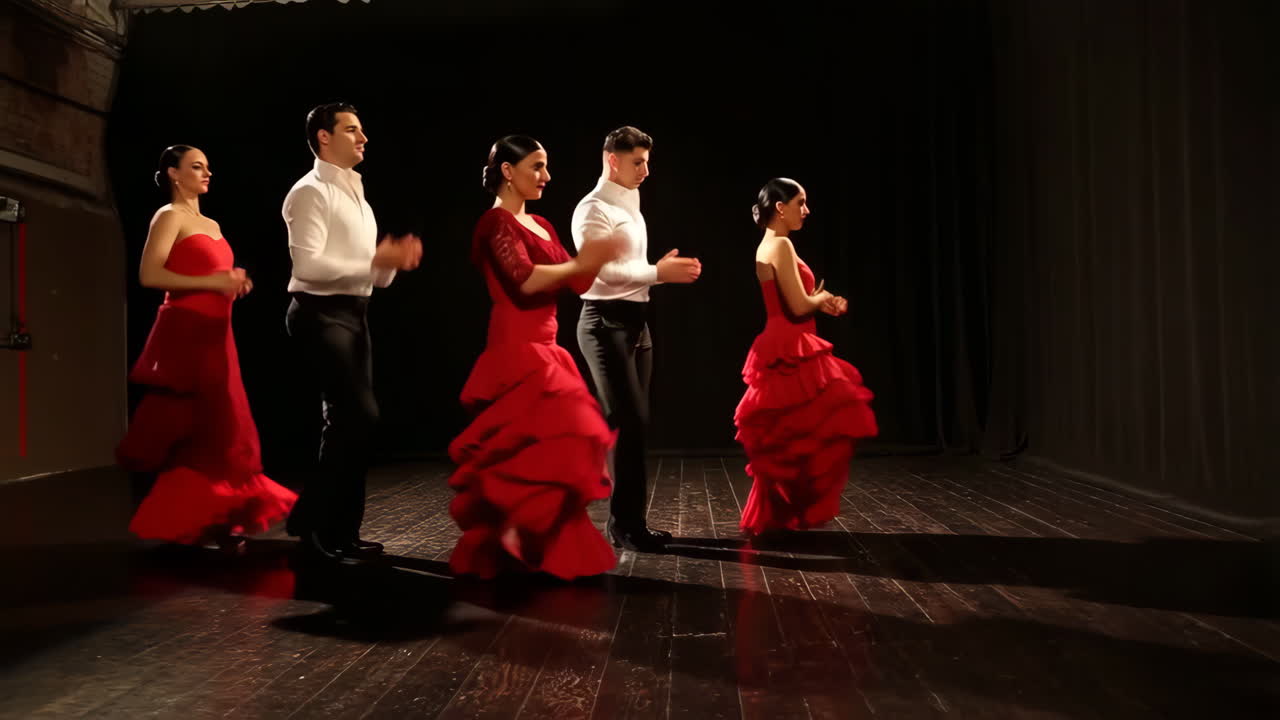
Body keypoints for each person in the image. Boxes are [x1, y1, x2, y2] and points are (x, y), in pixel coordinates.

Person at [448, 135, 622, 579]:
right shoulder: (495, 223)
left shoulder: (542, 222)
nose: (546, 176)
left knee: (558, 450)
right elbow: (523, 281)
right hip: (516, 349)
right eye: (537, 167)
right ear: (508, 171)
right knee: (524, 454)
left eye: (546, 167)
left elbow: (579, 284)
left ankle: (540, 546)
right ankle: (512, 545)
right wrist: (583, 262)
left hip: (548, 349)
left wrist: (595, 261)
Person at [118, 144, 296, 551]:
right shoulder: (169, 216)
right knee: (203, 424)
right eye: (196, 167)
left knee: (225, 427)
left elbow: (208, 274)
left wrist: (232, 284)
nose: (207, 173)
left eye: (208, 167)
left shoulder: (211, 223)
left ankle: (217, 518)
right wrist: (213, 282)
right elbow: (150, 274)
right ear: (174, 174)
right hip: (188, 332)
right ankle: (198, 519)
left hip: (219, 334)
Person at [282, 102, 422, 561]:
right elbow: (307, 265)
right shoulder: (309, 192)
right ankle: (318, 525)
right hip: (319, 312)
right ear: (324, 137)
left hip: (353, 312)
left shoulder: (358, 197)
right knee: (356, 417)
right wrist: (375, 261)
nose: (363, 139)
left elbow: (372, 279)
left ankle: (335, 528)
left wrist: (391, 264)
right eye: (352, 130)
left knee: (350, 422)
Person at [572, 126, 701, 551]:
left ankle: (631, 522)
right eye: (638, 161)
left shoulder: (630, 203)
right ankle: (625, 527)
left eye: (647, 161)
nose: (646, 170)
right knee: (627, 423)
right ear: (612, 159)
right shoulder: (592, 209)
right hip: (604, 323)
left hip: (635, 323)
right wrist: (657, 274)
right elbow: (602, 274)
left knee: (636, 424)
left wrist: (654, 272)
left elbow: (630, 267)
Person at [733, 178, 878, 536]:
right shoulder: (780, 244)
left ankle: (782, 516)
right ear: (780, 208)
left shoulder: (767, 244)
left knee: (792, 437)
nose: (806, 210)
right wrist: (821, 299)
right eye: (801, 202)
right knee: (813, 431)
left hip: (784, 339)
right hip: (791, 343)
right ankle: (788, 514)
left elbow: (794, 300)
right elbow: (798, 304)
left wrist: (820, 302)